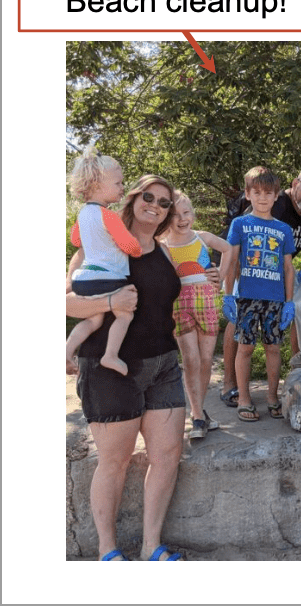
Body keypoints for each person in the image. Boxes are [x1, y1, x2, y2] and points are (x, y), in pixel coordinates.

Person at [66, 174, 189, 561]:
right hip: (109, 369)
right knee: (114, 462)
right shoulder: (97, 243)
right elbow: (66, 303)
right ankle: (108, 551)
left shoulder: (165, 251)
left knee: (167, 455)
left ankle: (153, 546)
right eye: (148, 196)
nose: (155, 205)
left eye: (164, 202)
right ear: (133, 198)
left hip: (164, 364)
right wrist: (110, 302)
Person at [218, 163, 301, 408]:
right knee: (236, 323)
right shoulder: (275, 205)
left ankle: (288, 384)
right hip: (246, 271)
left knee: (277, 339)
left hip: (277, 280)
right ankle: (229, 382)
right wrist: (234, 290)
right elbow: (237, 250)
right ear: (294, 185)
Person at [222, 168, 296, 422]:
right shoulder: (240, 224)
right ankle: (244, 397)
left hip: (274, 299)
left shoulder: (284, 229)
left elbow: (288, 267)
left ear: (276, 196)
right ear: (248, 194)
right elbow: (232, 261)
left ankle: (272, 397)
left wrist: (289, 302)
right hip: (247, 297)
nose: (263, 198)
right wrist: (228, 294)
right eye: (257, 192)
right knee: (245, 347)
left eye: (268, 193)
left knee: (273, 348)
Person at [162, 192, 233, 439]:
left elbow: (228, 248)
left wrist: (221, 276)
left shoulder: (201, 238)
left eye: (186, 213)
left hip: (207, 303)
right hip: (179, 305)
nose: (182, 219)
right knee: (191, 358)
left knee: (205, 359)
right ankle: (198, 416)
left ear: (193, 213)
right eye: (175, 215)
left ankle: (199, 413)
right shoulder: (163, 244)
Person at [66, 146, 140, 377]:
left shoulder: (83, 214)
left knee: (94, 318)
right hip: (108, 277)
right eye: (118, 183)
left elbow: (76, 239)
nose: (122, 188)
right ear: (98, 184)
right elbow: (131, 247)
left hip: (84, 278)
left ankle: (66, 350)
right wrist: (136, 247)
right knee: (125, 315)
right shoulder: (108, 215)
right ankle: (111, 354)